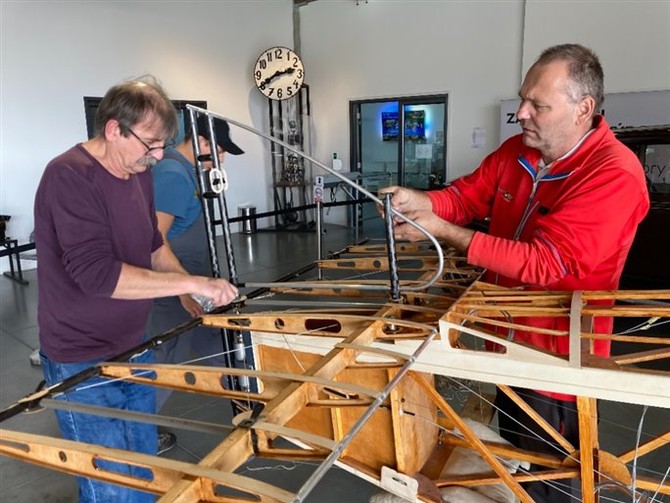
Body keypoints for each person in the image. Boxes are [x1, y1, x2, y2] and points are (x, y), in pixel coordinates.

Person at [380, 43, 649, 502]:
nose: (521, 113)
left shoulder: (614, 174)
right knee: (513, 457)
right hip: (505, 341)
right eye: (523, 99)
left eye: (538, 105)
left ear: (583, 109)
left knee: (552, 478)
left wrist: (447, 232)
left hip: (554, 360)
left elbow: (547, 263)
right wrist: (421, 201)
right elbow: (466, 197)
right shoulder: (517, 152)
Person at [34, 75, 239, 503]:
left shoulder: (139, 171)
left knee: (146, 471)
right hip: (80, 357)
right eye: (151, 143)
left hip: (132, 342)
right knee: (109, 485)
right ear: (113, 129)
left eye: (163, 144)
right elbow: (97, 275)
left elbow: (152, 243)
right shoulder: (68, 176)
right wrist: (192, 280)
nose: (159, 155)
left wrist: (189, 291)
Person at [147, 116, 244, 416]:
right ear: (201, 142)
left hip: (193, 281)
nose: (223, 157)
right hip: (175, 288)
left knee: (218, 343)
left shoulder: (186, 172)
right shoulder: (173, 173)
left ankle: (249, 399)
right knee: (166, 358)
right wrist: (184, 291)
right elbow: (154, 242)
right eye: (220, 149)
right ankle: (135, 430)